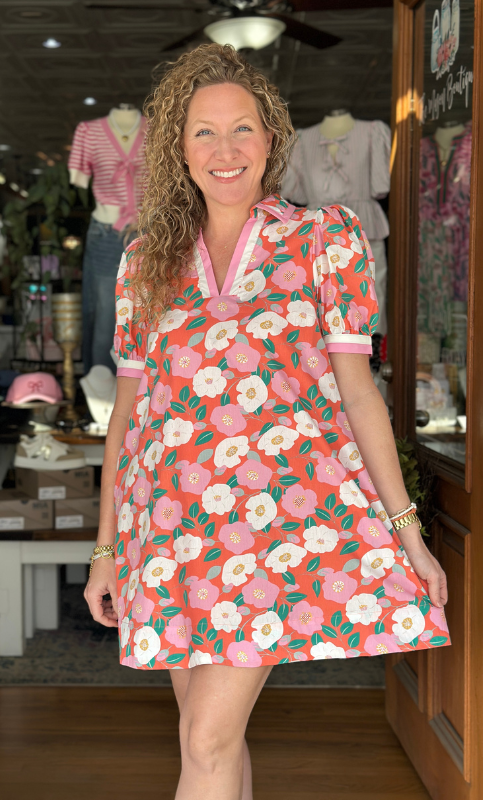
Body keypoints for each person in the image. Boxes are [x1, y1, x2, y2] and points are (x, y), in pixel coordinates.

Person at [85, 43, 450, 800]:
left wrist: (406, 528)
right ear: (178, 151)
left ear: (273, 137)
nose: (226, 150)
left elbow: (358, 396)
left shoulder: (324, 240)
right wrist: (105, 546)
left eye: (243, 129)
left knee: (206, 739)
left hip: (272, 528)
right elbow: (128, 417)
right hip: (167, 529)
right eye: (205, 133)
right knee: (212, 740)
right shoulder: (145, 259)